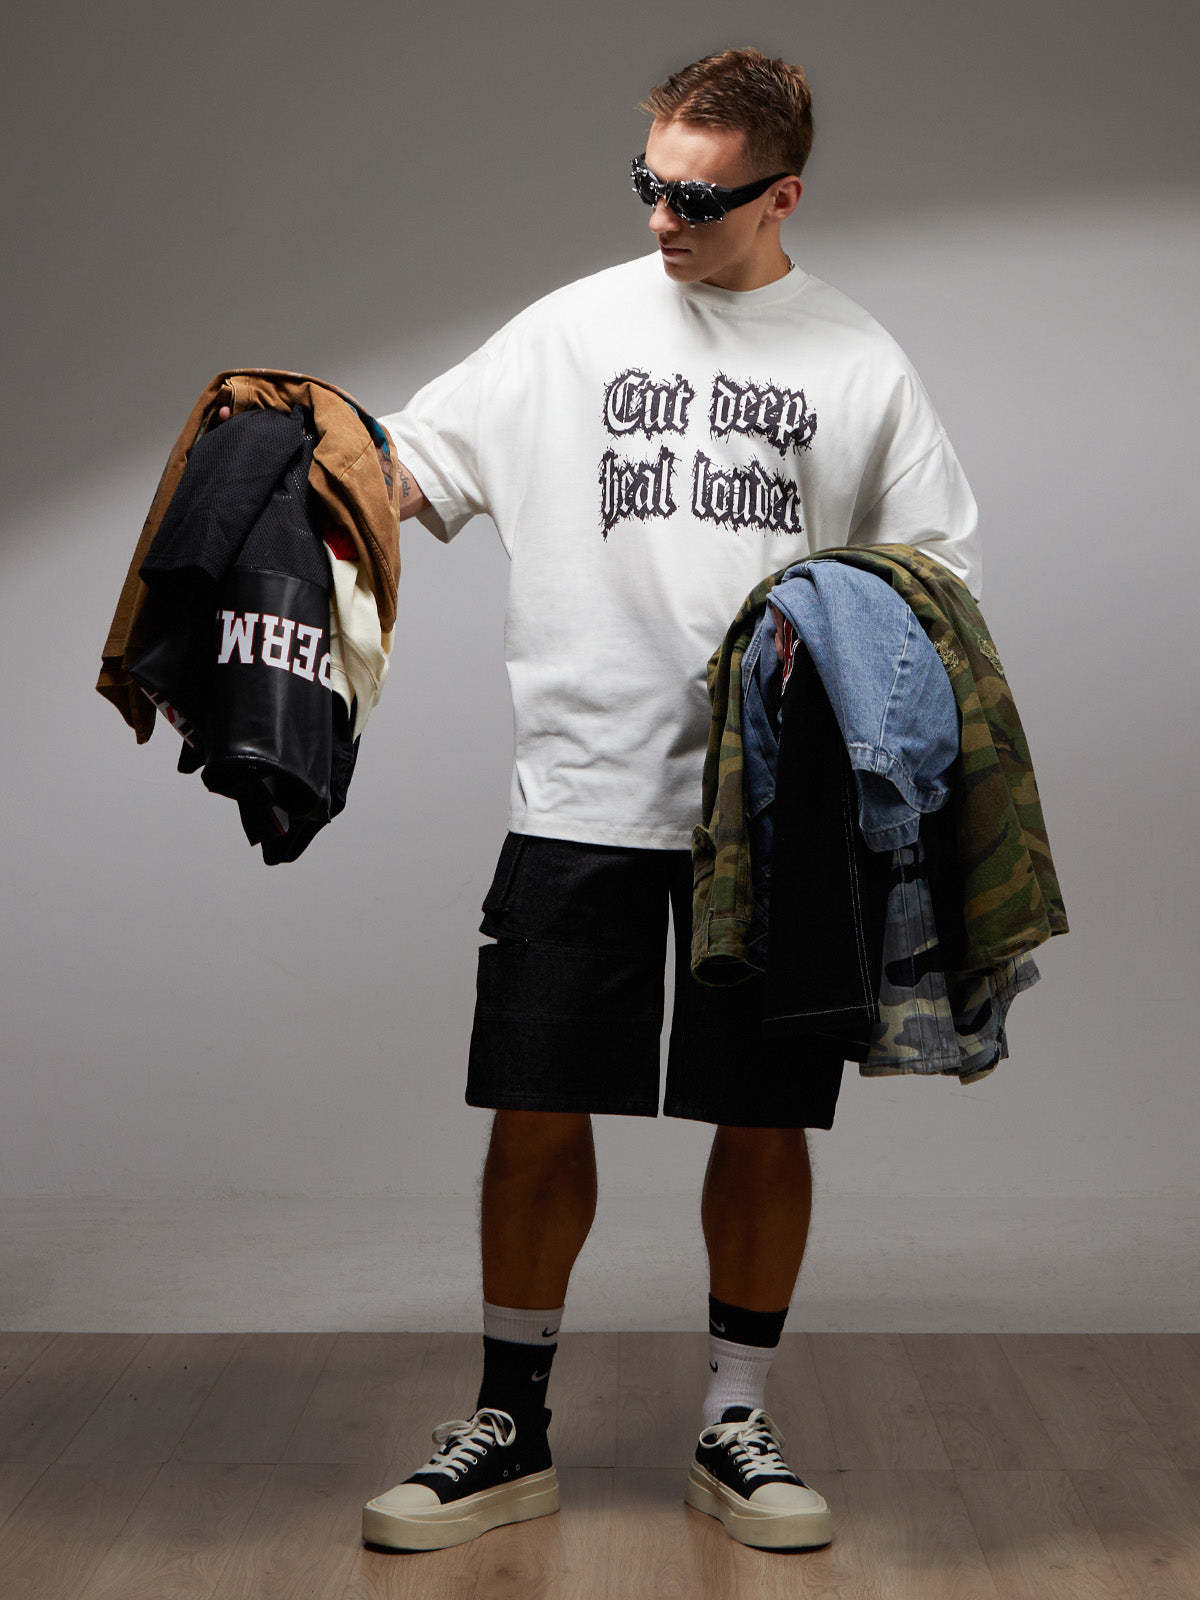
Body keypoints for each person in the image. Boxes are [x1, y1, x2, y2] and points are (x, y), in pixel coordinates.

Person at [220, 47, 980, 1554]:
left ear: (784, 196)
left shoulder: (858, 361)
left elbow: (938, 572)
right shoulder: (569, 332)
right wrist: (291, 451)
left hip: (769, 811)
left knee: (763, 1115)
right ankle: (509, 1426)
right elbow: (410, 478)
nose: (662, 220)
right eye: (649, 184)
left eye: (700, 198)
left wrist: (849, 630)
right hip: (580, 785)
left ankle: (735, 1423)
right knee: (534, 1099)